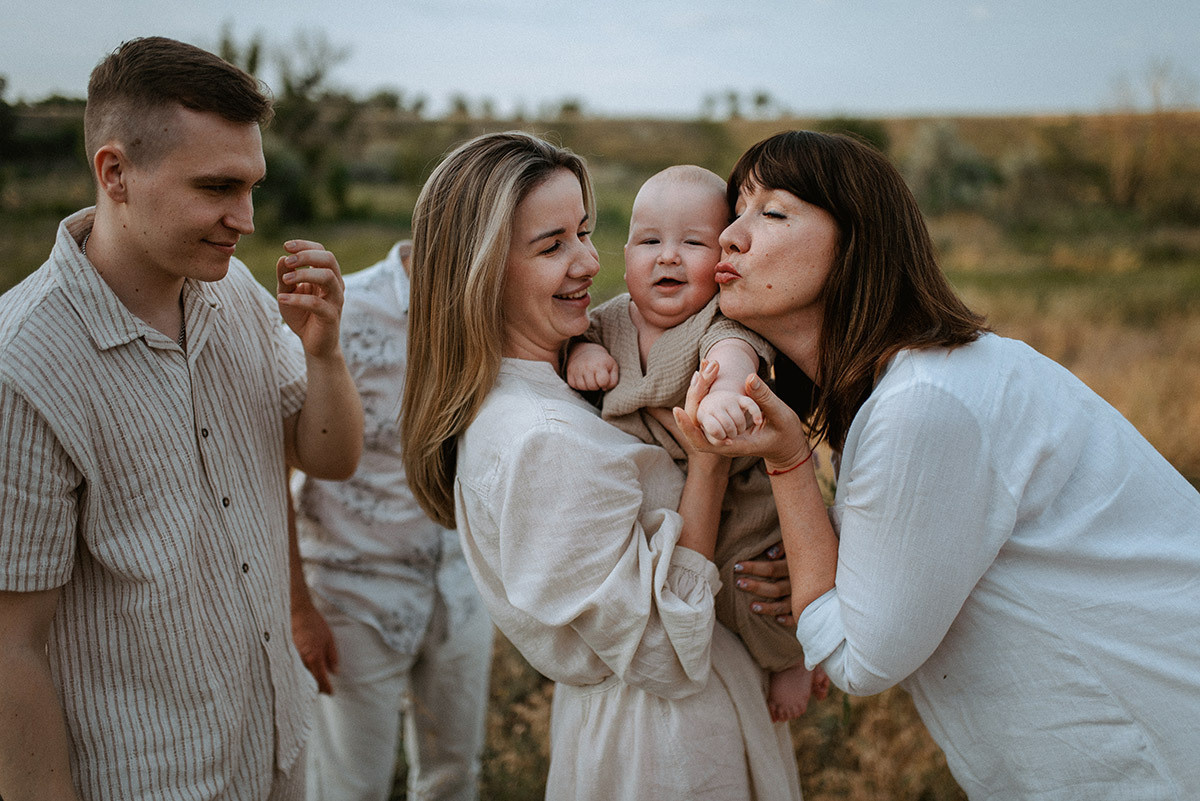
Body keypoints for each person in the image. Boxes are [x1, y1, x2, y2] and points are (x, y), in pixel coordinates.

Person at [673, 129, 1200, 800]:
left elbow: (856, 658)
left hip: (1159, 748)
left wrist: (788, 463)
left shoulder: (925, 401)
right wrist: (831, 549)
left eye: (772, 212)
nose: (729, 236)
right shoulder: (922, 382)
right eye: (736, 211)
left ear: (858, 245)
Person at [0, 37, 363, 800]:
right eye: (217, 187)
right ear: (115, 173)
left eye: (252, 186)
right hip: (150, 779)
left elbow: (328, 459)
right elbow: (11, 648)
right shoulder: (23, 368)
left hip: (277, 747)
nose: (247, 219)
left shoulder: (236, 293)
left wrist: (325, 354)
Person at [400, 131, 801, 800]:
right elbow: (663, 653)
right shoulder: (542, 438)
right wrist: (708, 468)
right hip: (663, 746)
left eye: (584, 232)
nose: (589, 261)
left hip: (678, 711)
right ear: (484, 269)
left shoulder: (558, 383)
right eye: (552, 246)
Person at [565, 165, 817, 722]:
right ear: (624, 254)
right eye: (649, 241)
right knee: (683, 593)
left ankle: (794, 656)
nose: (668, 257)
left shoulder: (718, 322)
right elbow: (576, 338)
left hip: (741, 502)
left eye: (693, 244)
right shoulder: (607, 322)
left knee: (753, 583)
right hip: (668, 507)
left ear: (723, 259)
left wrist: (725, 396)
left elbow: (733, 355)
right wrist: (583, 353)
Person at [288, 240, 493, 801]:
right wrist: (299, 610)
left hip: (461, 589)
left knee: (455, 777)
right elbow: (271, 464)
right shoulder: (342, 310)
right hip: (353, 598)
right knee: (350, 791)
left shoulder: (498, 310)